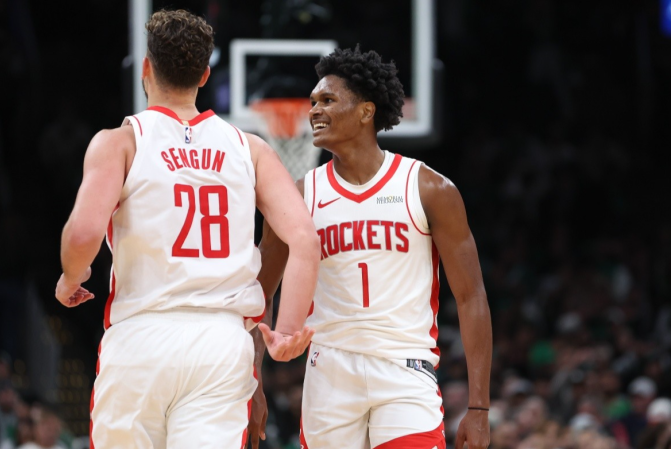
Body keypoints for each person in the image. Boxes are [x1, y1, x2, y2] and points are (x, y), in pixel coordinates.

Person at [54, 10, 319, 449]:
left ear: (146, 68)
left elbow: (83, 236)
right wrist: (288, 331)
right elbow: (304, 239)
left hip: (141, 335)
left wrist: (71, 276)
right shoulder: (249, 148)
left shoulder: (120, 141)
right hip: (220, 343)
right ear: (204, 75)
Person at [257, 46, 492, 449]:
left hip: (404, 370)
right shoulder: (298, 195)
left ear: (366, 111)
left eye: (327, 100)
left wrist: (479, 406)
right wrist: (253, 383)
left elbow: (471, 297)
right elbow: (260, 292)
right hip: (329, 372)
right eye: (313, 102)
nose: (314, 110)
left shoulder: (428, 188)